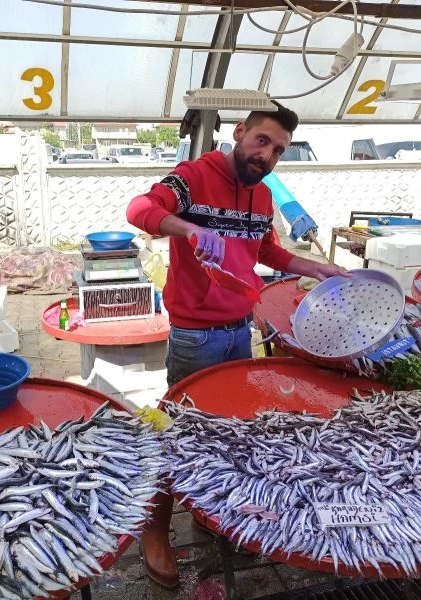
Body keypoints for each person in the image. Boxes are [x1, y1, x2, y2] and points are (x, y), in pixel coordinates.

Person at [126, 101, 348, 588]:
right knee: (178, 428)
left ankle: (208, 508)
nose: (267, 155)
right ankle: (155, 530)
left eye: (279, 150)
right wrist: (189, 227)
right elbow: (140, 210)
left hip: (238, 331)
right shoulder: (193, 177)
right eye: (261, 141)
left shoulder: (263, 196)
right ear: (240, 132)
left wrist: (317, 268)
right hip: (195, 334)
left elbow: (267, 251)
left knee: (229, 430)